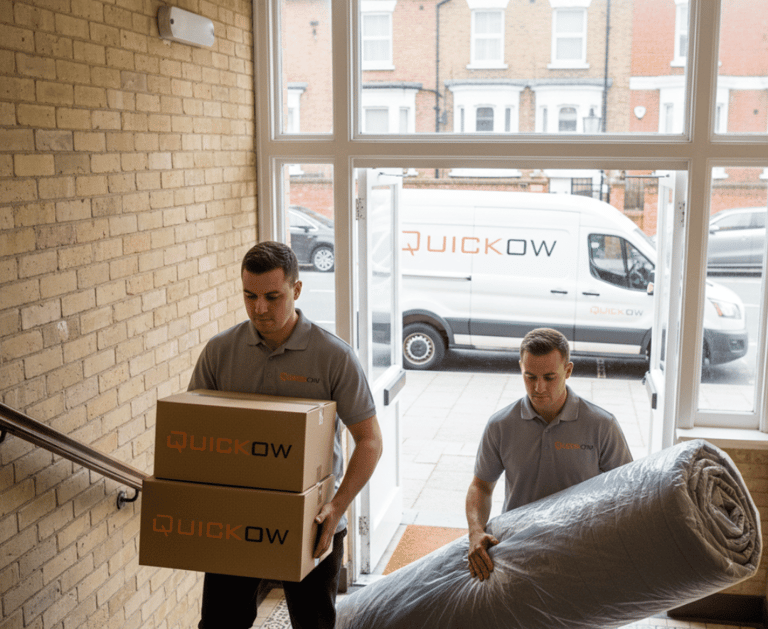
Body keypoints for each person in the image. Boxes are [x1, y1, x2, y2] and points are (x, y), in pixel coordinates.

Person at [188, 241, 383, 629]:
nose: (259, 309)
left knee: (313, 624)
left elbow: (370, 441)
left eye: (272, 297)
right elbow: (194, 429)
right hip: (235, 519)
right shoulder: (220, 351)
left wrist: (337, 507)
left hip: (314, 522)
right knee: (220, 624)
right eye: (250, 296)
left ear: (296, 289)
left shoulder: (334, 357)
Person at [465, 327, 632, 581]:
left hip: (580, 552)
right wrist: (475, 532)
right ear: (521, 368)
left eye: (549, 377)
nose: (538, 387)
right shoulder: (500, 425)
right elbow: (481, 486)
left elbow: (628, 491)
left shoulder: (602, 425)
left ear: (568, 370)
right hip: (516, 551)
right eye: (529, 376)